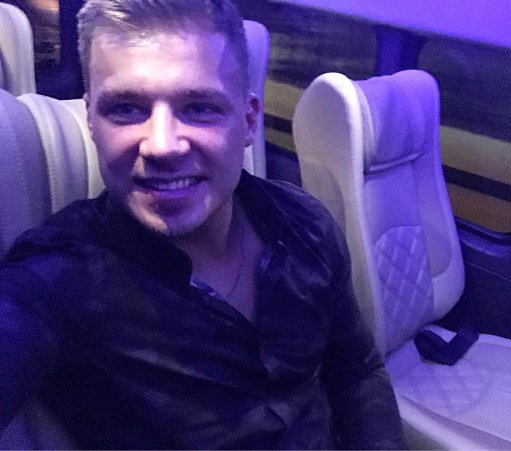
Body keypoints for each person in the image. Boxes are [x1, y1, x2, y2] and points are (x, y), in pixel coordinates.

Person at [0, 0, 404, 448]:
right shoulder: (56, 279)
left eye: (199, 107)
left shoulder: (305, 225)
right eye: (127, 109)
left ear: (248, 121)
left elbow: (358, 373)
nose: (162, 146)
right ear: (92, 119)